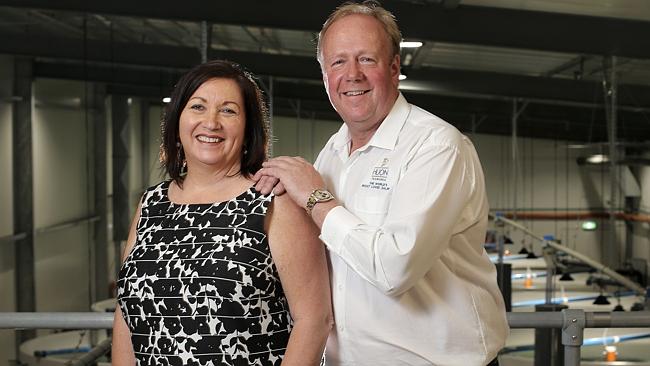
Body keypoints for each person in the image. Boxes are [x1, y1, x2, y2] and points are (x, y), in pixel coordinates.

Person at [254, 2, 509, 365]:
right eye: (338, 62)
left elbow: (394, 269)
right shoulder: (332, 153)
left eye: (366, 59)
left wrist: (315, 199)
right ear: (325, 75)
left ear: (394, 69)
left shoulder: (436, 146)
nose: (352, 74)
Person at [112, 60, 332, 366]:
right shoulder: (150, 203)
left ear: (248, 129)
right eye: (198, 107)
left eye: (228, 110)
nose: (211, 122)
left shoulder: (273, 200)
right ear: (177, 120)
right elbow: (126, 314)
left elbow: (314, 320)